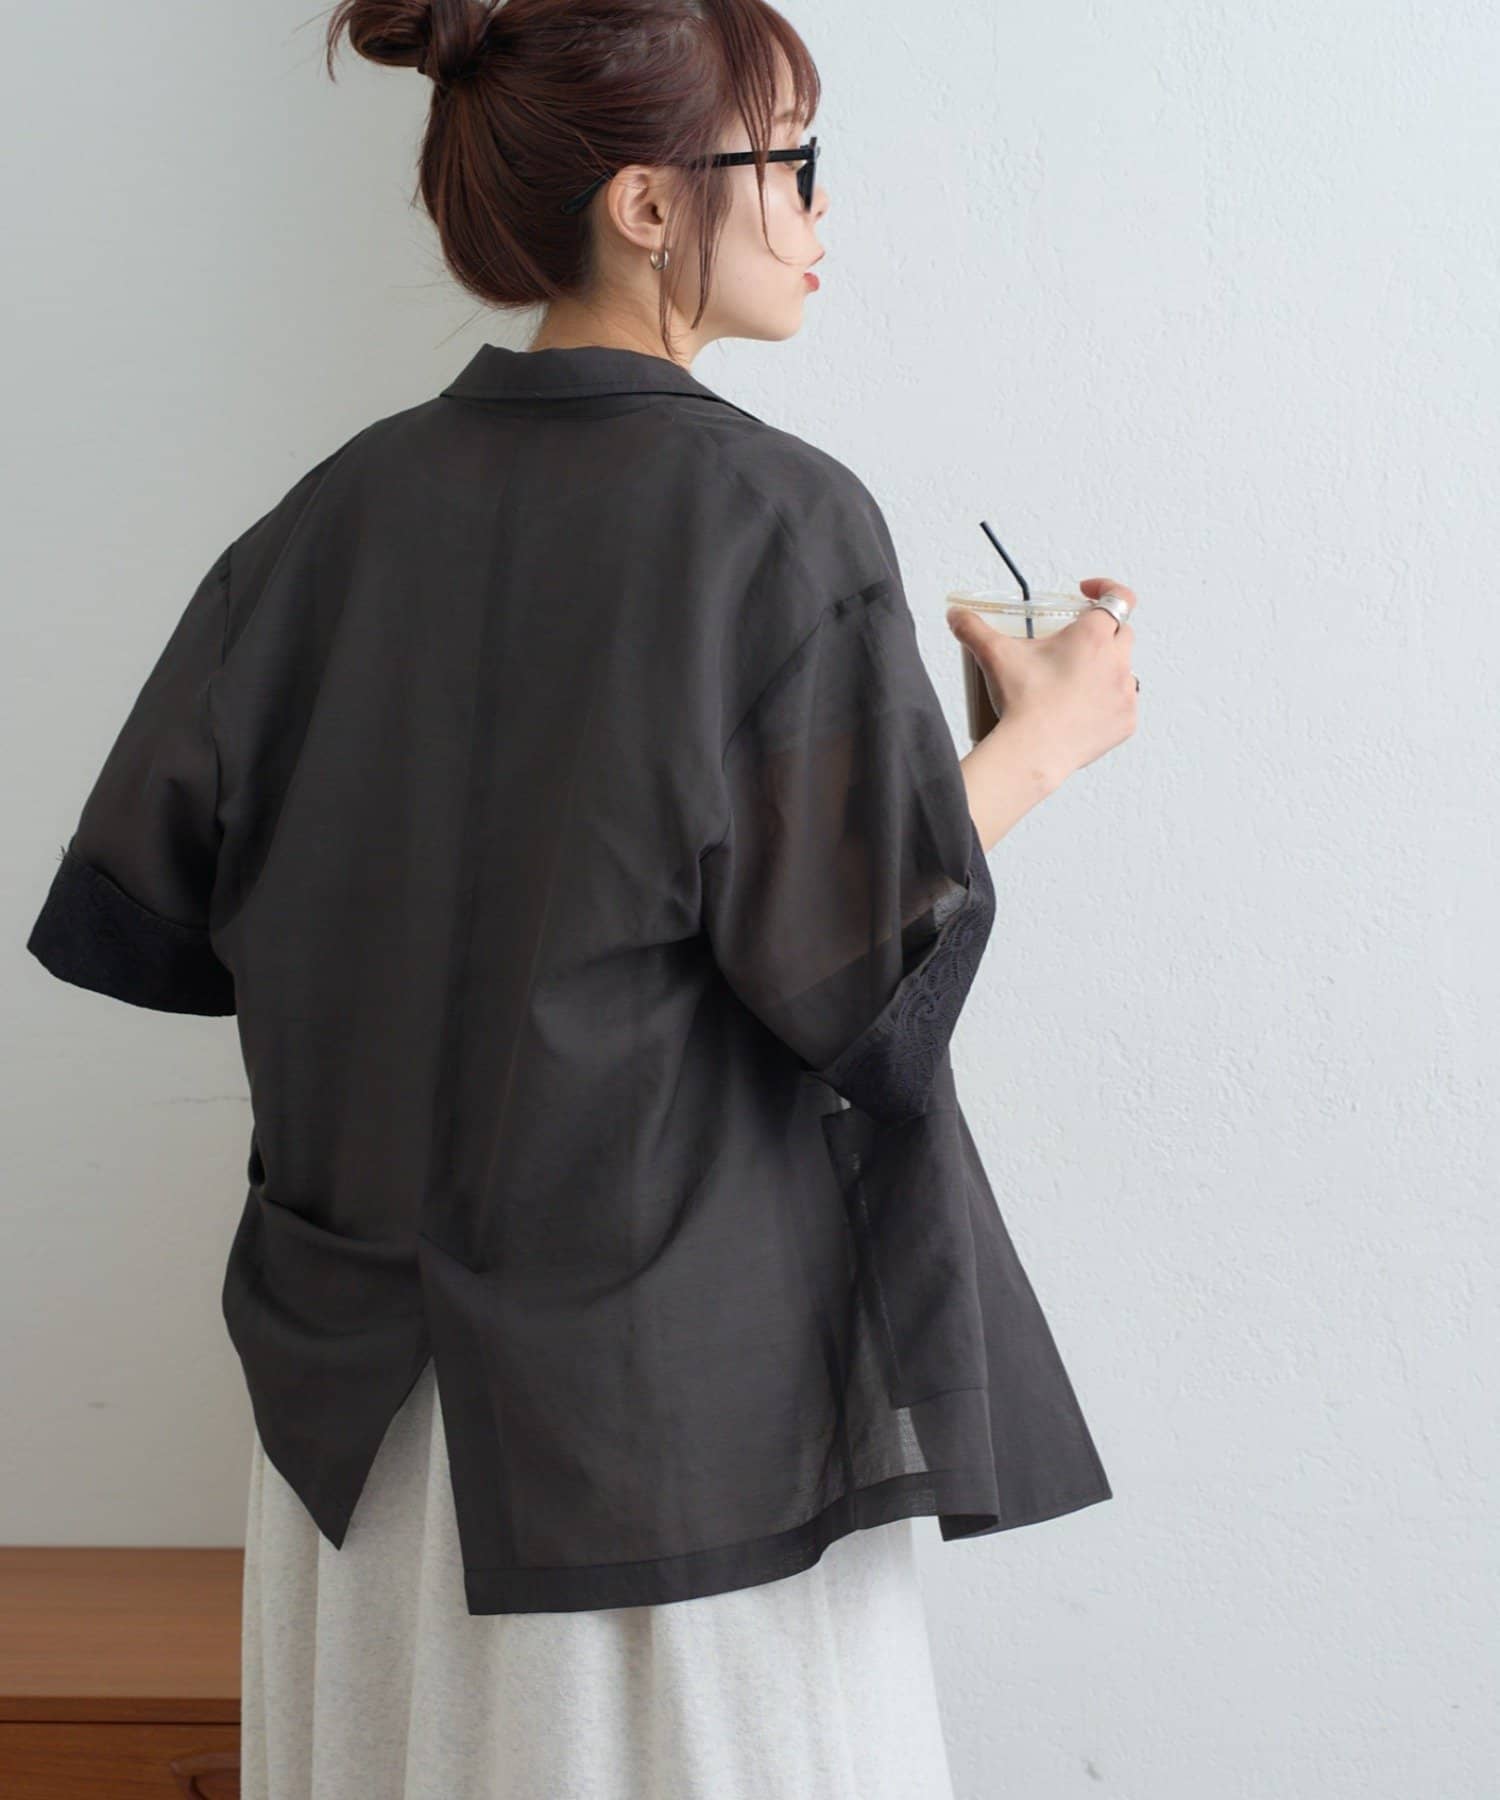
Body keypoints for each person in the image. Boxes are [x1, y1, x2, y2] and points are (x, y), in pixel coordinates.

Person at [25, 0, 1137, 1794]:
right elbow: (857, 976)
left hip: (363, 1444)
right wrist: (1043, 742)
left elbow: (154, 913)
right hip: (653, 1449)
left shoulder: (326, 518)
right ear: (646, 203)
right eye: (792, 163)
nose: (820, 208)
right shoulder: (774, 518)